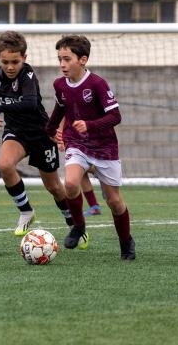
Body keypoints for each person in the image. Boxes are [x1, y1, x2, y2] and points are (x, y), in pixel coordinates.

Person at [46, 35, 135, 259]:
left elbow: (116, 116)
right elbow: (59, 111)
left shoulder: (97, 84)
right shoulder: (59, 85)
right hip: (76, 142)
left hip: (104, 147)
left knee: (114, 201)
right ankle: (79, 226)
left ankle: (126, 241)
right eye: (60, 59)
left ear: (82, 59)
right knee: (71, 183)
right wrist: (49, 132)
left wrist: (90, 125)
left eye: (67, 59)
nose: (62, 64)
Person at [0, 31, 72, 236]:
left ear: (24, 58)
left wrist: (0, 109)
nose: (10, 67)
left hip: (40, 133)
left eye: (15, 61)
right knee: (4, 165)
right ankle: (26, 212)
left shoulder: (28, 75)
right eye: (5, 62)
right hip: (16, 132)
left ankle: (73, 223)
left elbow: (29, 104)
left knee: (54, 187)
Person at [57, 122, 102, 216]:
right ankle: (94, 206)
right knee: (80, 172)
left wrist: (61, 137)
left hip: (84, 134)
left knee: (79, 168)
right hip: (74, 135)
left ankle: (102, 172)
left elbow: (63, 116)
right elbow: (62, 114)